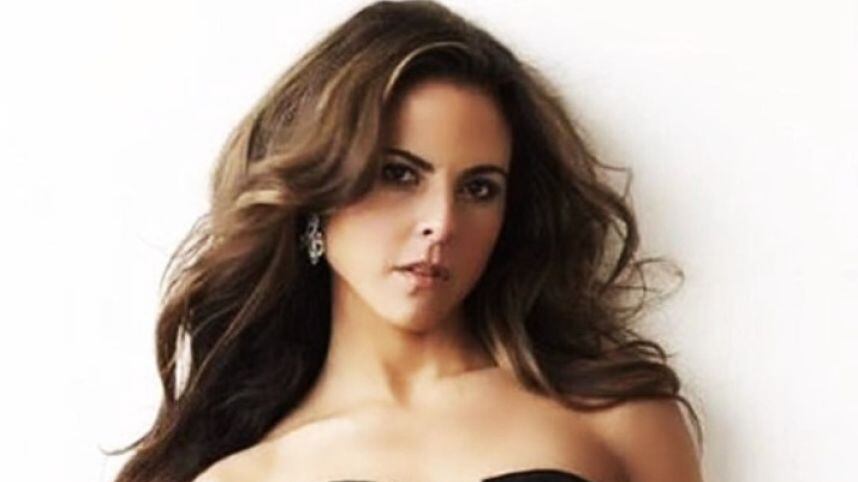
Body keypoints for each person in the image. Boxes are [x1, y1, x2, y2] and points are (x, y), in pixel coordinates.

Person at [109, 1, 704, 481]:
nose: (441, 222)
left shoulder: (617, 420)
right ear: (318, 195)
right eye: (398, 175)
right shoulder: (243, 478)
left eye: (478, 188)